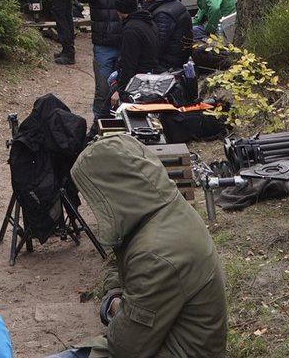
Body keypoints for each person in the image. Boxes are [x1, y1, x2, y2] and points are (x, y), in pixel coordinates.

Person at [46, 133, 227, 358]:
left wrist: (115, 306)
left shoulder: (156, 253)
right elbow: (118, 262)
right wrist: (115, 299)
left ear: (114, 191)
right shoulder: (160, 211)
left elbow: (125, 348)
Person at [75, 0, 132, 119]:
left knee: (122, 86)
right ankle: (98, 121)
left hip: (122, 43)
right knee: (102, 88)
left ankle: (120, 119)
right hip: (103, 45)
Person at [107, 0, 158, 110]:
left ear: (120, 10)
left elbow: (129, 63)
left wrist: (120, 91)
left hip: (137, 81)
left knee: (107, 113)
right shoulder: (148, 21)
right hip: (149, 75)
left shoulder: (131, 30)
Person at [141, 0, 193, 73]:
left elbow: (158, 45)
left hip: (169, 63)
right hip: (180, 57)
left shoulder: (163, 14)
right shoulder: (174, 3)